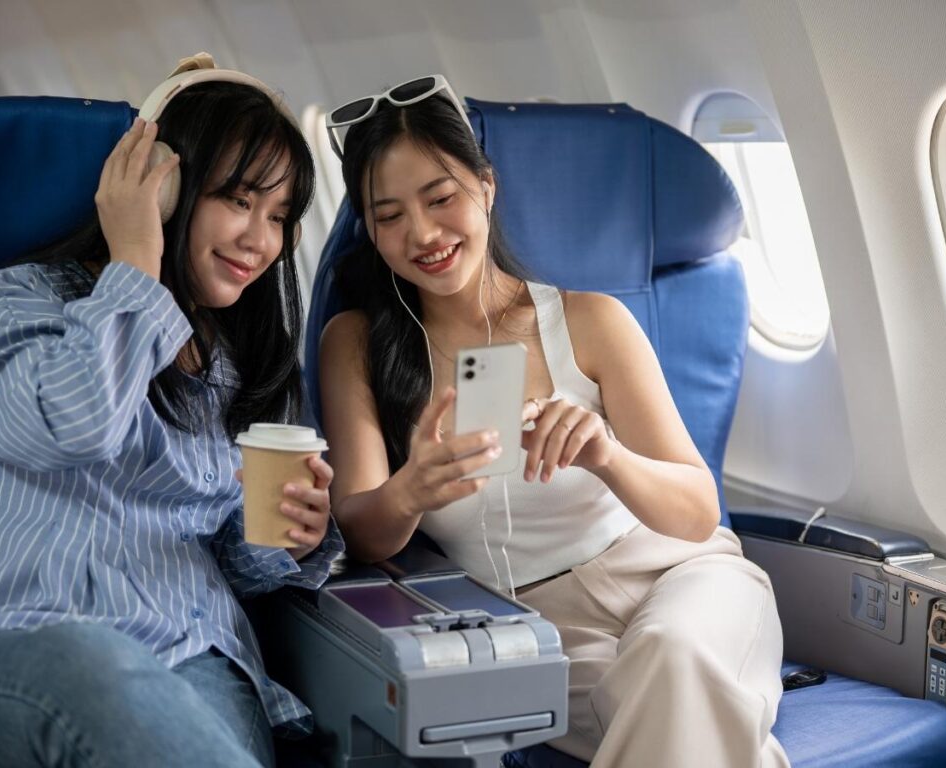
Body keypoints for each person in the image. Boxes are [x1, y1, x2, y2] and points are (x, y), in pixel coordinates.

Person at [319, 77, 789, 768]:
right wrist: (410, 491)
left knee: (674, 656)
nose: (422, 233)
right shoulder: (356, 344)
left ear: (486, 186)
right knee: (684, 713)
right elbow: (359, 531)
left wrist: (608, 457)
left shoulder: (590, 319)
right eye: (388, 215)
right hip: (542, 632)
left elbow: (696, 512)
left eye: (441, 198)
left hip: (681, 579)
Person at [0, 60, 343, 768]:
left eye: (279, 217)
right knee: (94, 665)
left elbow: (234, 557)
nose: (260, 240)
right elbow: (80, 425)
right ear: (164, 187)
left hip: (193, 652)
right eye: (238, 199)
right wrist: (136, 255)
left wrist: (288, 535)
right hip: (23, 643)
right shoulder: (14, 303)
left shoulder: (242, 369)